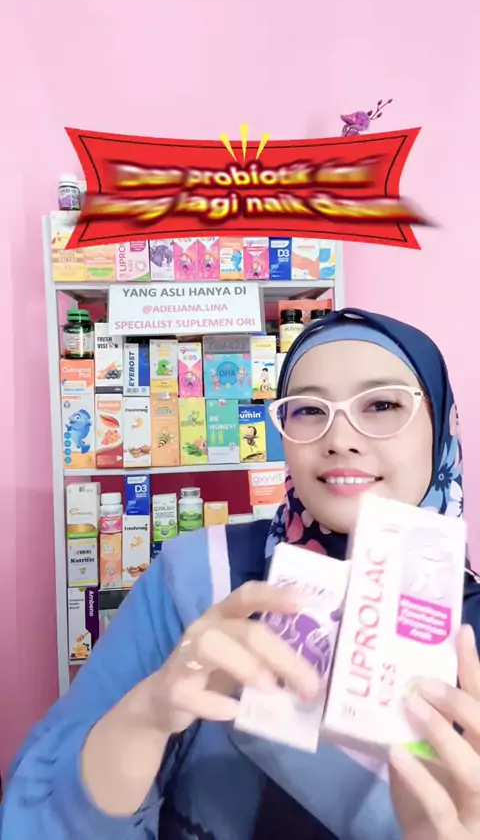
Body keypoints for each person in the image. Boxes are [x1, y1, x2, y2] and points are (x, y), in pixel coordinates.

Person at [2, 307, 480, 840]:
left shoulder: (469, 634)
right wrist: (147, 717)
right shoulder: (197, 579)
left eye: (383, 404)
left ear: (441, 425)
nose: (340, 439)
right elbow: (35, 821)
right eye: (308, 410)